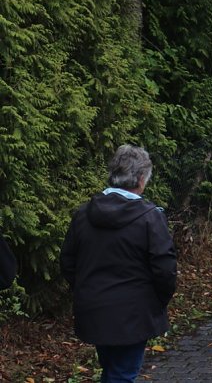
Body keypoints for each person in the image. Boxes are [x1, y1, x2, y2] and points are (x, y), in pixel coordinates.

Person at [60, 145, 177, 383]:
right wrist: (157, 302)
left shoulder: (83, 214)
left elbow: (68, 261)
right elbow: (165, 269)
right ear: (142, 178)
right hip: (134, 313)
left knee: (113, 369)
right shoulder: (150, 217)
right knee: (122, 374)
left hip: (94, 308)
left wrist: (87, 290)